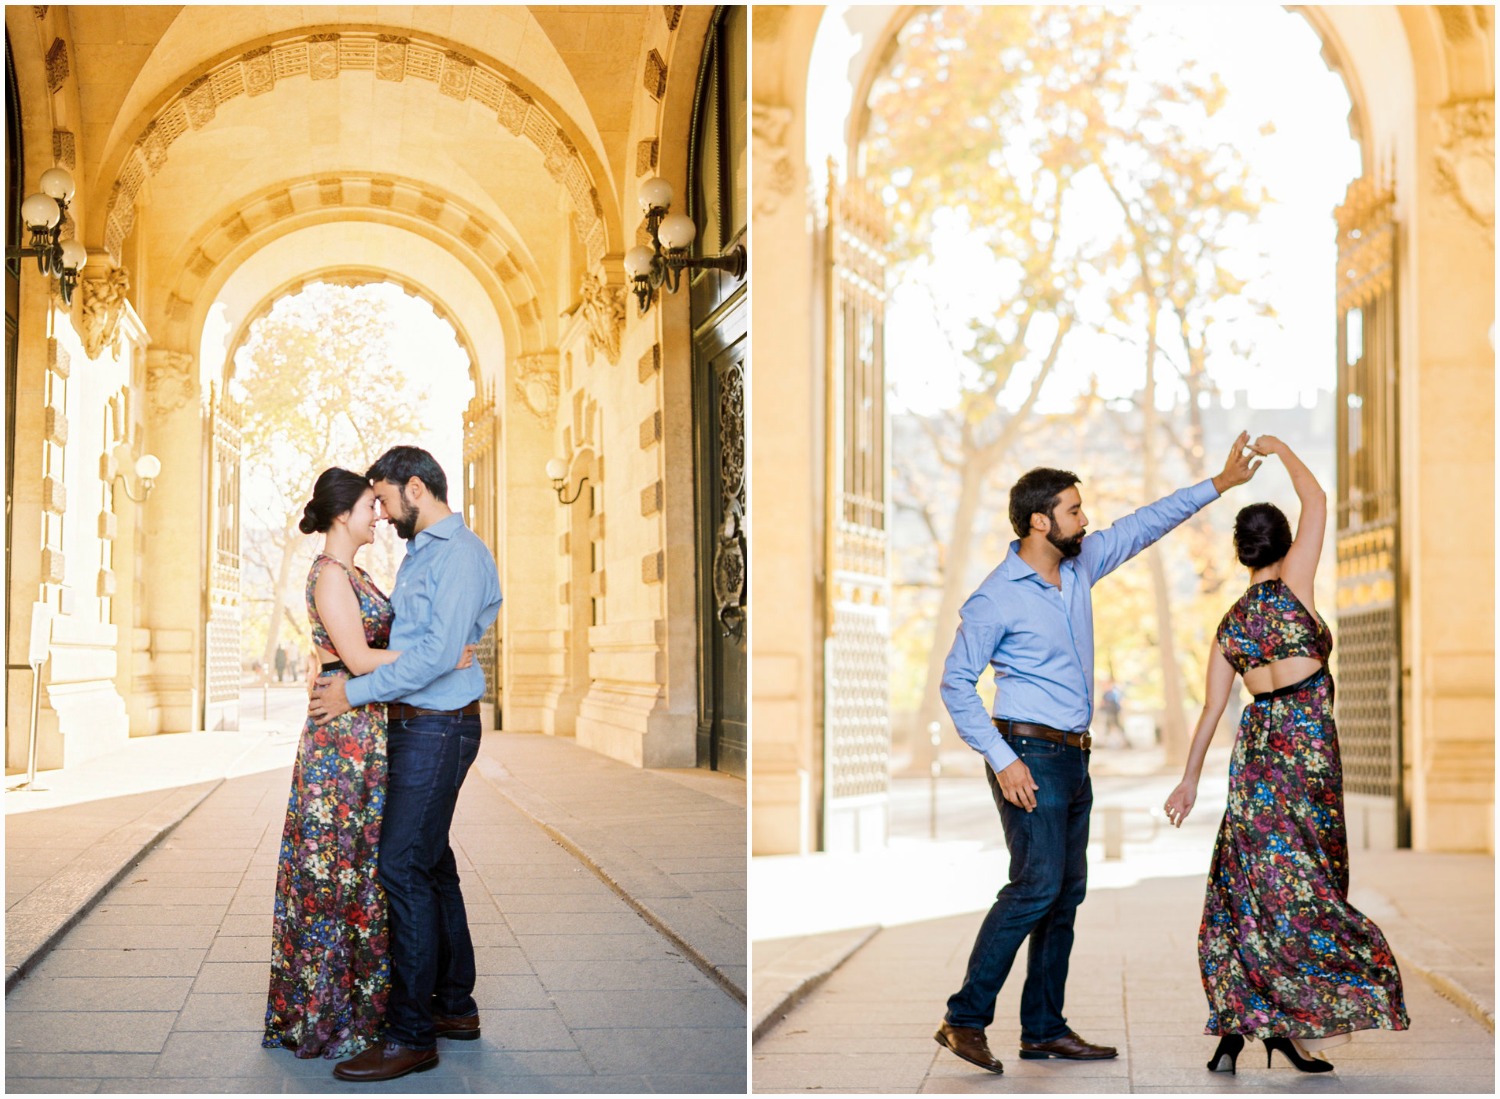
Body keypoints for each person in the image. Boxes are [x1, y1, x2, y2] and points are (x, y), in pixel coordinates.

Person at [932, 433, 1261, 1076]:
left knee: (1065, 893)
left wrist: (1219, 483)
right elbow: (954, 684)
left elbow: (1146, 524)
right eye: (1075, 511)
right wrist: (1003, 760)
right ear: (1038, 521)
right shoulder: (997, 595)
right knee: (1034, 887)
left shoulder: (1081, 565)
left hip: (1073, 757)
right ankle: (964, 1019)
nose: (1086, 521)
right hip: (1027, 754)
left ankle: (1044, 1028)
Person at [1163, 435, 1408, 1075]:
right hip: (1306, 768)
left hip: (1253, 768)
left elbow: (1213, 712)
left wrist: (1188, 782)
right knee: (1310, 891)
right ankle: (1286, 1025)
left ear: (1240, 551)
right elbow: (1317, 497)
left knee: (1249, 894)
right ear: (1284, 544)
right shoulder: (1297, 587)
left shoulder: (1230, 624)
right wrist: (1279, 447)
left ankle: (1245, 1028)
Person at [308, 446, 502, 1083]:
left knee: (401, 865)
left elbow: (434, 656)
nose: (383, 516)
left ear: (415, 488)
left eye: (385, 500)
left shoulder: (460, 553)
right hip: (415, 726)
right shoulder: (425, 552)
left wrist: (352, 690)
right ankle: (454, 1006)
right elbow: (419, 648)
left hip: (438, 728)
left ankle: (412, 1034)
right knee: (431, 861)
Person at [263, 467, 471, 1058]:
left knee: (359, 865)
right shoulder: (331, 575)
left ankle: (371, 1002)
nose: (377, 515)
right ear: (340, 516)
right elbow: (356, 655)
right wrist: (439, 654)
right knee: (336, 869)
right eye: (366, 507)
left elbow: (345, 647)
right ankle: (329, 1012)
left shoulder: (350, 573)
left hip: (361, 730)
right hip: (342, 742)